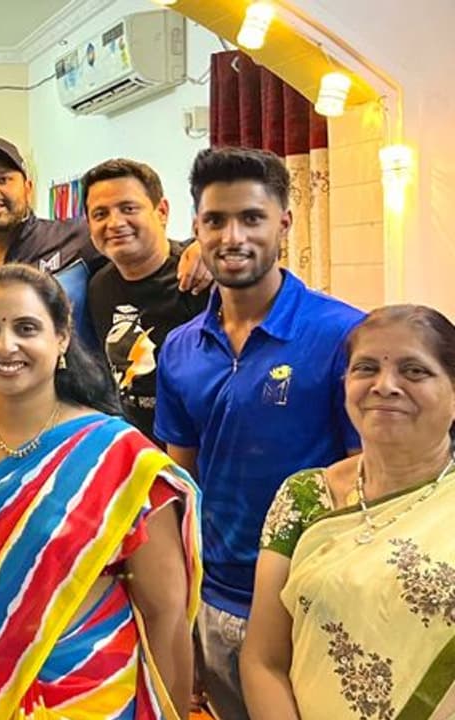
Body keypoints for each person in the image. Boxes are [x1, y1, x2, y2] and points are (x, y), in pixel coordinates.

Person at [0, 263, 201, 719]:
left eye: (26, 328)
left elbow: (166, 614)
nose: (5, 345)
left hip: (92, 694)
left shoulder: (117, 457)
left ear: (61, 338)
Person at [155, 146, 365, 720]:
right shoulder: (180, 349)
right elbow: (181, 488)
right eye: (215, 220)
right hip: (215, 599)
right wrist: (182, 613)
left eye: (252, 218)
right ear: (196, 227)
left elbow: (366, 479)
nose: (233, 237)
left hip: (312, 602)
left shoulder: (343, 334)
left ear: (284, 223)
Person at [242, 304, 455, 720]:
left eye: (414, 371)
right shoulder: (305, 497)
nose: (385, 386)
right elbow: (263, 661)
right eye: (366, 368)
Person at [0, 136, 210, 409]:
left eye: (3, 179)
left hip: (81, 411)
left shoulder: (76, 240)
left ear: (28, 188)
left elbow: (142, 248)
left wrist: (201, 246)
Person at [82, 158, 210, 443]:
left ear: (161, 211)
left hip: (202, 450)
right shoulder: (97, 286)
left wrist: (210, 248)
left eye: (128, 208)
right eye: (100, 214)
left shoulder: (200, 275)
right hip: (138, 452)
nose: (115, 223)